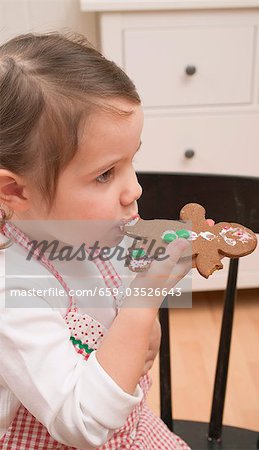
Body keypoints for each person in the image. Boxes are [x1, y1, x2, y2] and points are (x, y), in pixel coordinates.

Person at [0, 31, 194, 449]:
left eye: (132, 160)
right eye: (105, 174)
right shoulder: (11, 290)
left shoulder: (96, 232)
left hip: (131, 429)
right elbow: (82, 423)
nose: (135, 190)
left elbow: (128, 334)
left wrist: (147, 312)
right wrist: (144, 301)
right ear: (15, 191)